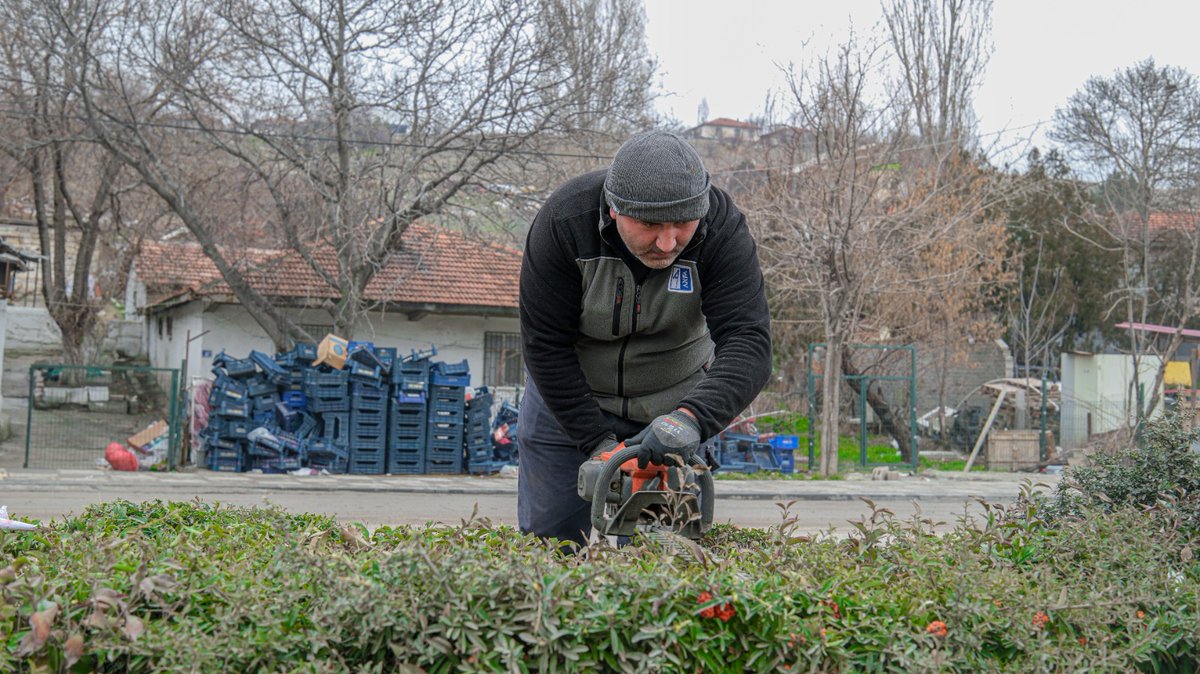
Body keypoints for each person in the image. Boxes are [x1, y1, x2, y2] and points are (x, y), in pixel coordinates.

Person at [517, 130, 772, 548]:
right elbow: (544, 344)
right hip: (569, 405)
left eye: (683, 224)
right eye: (650, 224)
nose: (668, 243)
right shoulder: (565, 221)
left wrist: (689, 420)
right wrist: (597, 443)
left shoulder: (722, 228)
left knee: (663, 558)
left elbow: (749, 341)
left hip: (673, 409)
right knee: (549, 548)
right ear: (614, 209)